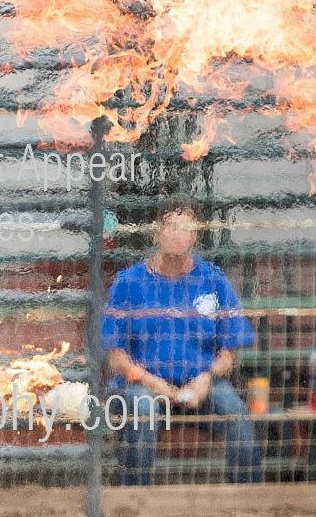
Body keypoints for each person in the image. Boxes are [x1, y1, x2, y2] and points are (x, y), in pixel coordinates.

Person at [101, 199, 261, 485]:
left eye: (186, 228)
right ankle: (133, 497)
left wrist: (206, 379)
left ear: (195, 235)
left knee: (236, 414)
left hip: (201, 382)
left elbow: (228, 352)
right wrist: (152, 383)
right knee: (143, 410)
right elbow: (116, 357)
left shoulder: (214, 281)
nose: (177, 234)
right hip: (142, 384)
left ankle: (247, 497)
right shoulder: (128, 283)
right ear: (155, 234)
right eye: (170, 227)